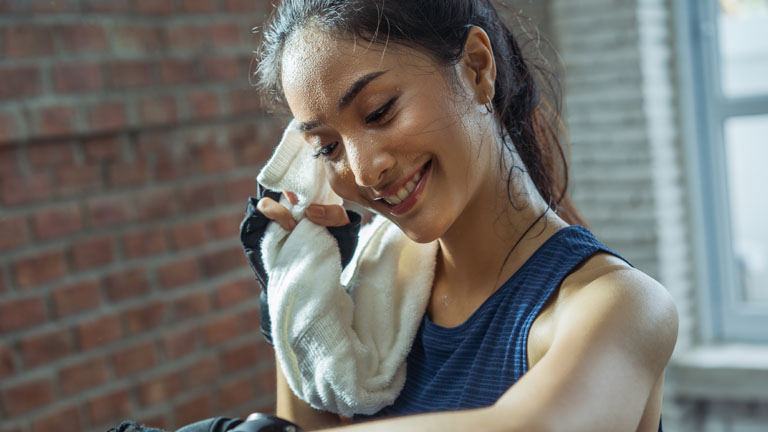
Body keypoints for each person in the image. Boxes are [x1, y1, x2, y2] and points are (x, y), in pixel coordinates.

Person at [247, 0, 679, 431]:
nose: (363, 171)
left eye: (379, 111)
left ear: (476, 67)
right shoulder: (376, 297)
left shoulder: (619, 306)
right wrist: (294, 290)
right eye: (327, 148)